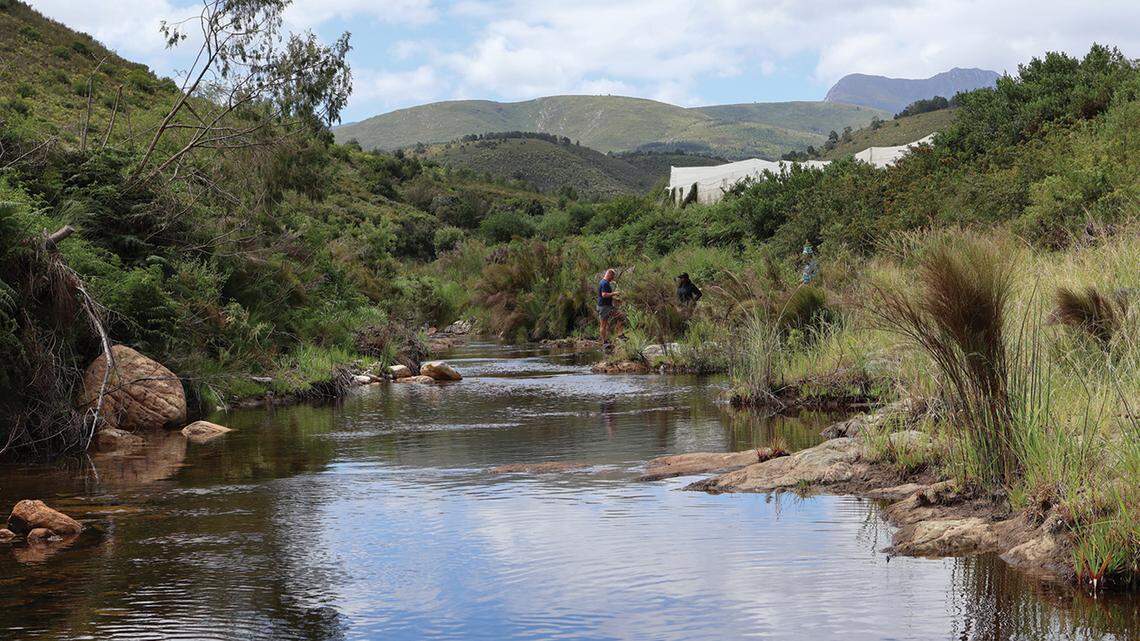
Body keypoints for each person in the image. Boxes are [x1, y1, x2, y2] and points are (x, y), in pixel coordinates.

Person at [597, 268, 620, 347]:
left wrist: (614, 298)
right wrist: (614, 293)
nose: (613, 279)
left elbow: (604, 295)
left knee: (619, 317)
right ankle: (604, 341)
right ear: (609, 274)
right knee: (603, 324)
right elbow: (604, 295)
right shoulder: (604, 283)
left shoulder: (604, 282)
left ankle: (619, 335)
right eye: (612, 276)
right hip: (604, 307)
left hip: (606, 306)